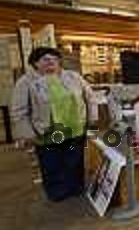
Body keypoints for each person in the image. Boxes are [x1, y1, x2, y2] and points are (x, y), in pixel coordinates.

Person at [10, 47, 98, 202]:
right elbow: (19, 111)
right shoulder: (26, 82)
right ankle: (57, 192)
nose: (51, 62)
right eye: (45, 59)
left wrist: (92, 118)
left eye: (54, 59)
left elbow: (90, 98)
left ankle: (76, 187)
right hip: (46, 132)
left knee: (75, 159)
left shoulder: (73, 77)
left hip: (75, 129)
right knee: (51, 162)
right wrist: (28, 134)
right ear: (35, 63)